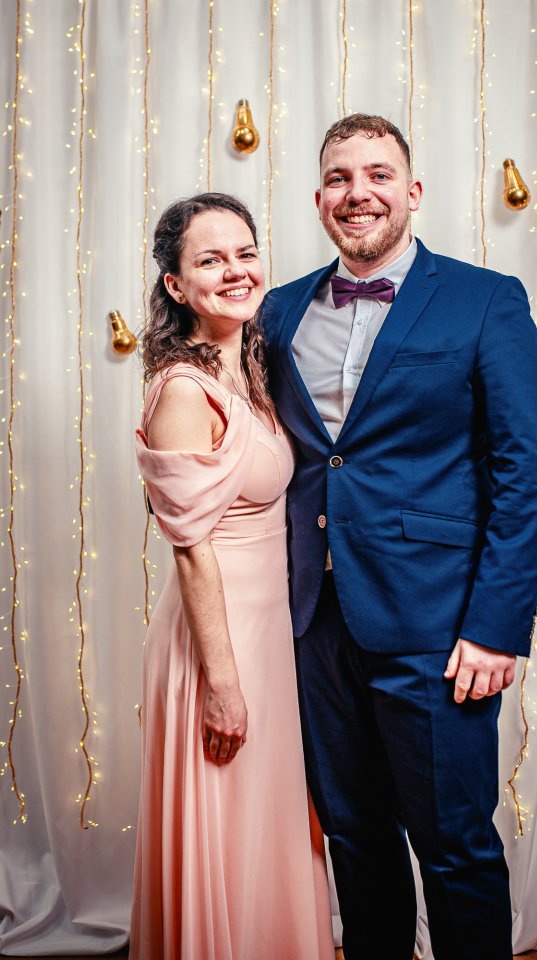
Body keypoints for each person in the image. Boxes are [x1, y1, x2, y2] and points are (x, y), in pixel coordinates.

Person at [261, 115, 537, 960]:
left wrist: (496, 626)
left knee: (455, 847)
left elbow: (529, 471)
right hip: (313, 624)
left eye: (378, 174)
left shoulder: (485, 299)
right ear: (319, 197)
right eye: (339, 177)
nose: (358, 193)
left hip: (439, 628)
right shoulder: (276, 311)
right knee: (354, 839)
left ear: (412, 191)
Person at [129, 192, 334, 960]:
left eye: (245, 252)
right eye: (210, 259)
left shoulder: (249, 366)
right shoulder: (185, 390)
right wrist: (221, 683)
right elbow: (191, 549)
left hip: (268, 638)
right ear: (176, 285)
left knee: (263, 831)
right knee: (224, 828)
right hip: (219, 648)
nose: (236, 270)